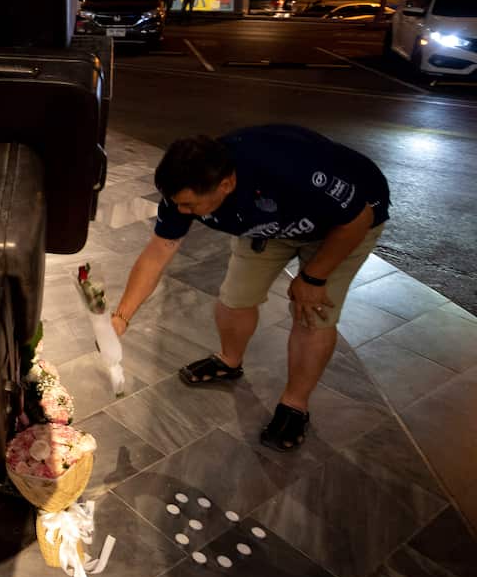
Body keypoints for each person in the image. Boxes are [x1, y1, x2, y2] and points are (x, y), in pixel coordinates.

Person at [109, 126, 390, 453]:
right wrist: (121, 319)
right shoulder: (185, 189)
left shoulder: (290, 168)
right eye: (177, 204)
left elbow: (357, 219)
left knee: (311, 315)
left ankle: (295, 404)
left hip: (343, 224)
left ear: (226, 184)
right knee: (234, 298)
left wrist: (314, 277)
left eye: (189, 206)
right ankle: (229, 361)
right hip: (268, 224)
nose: (181, 213)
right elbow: (159, 250)